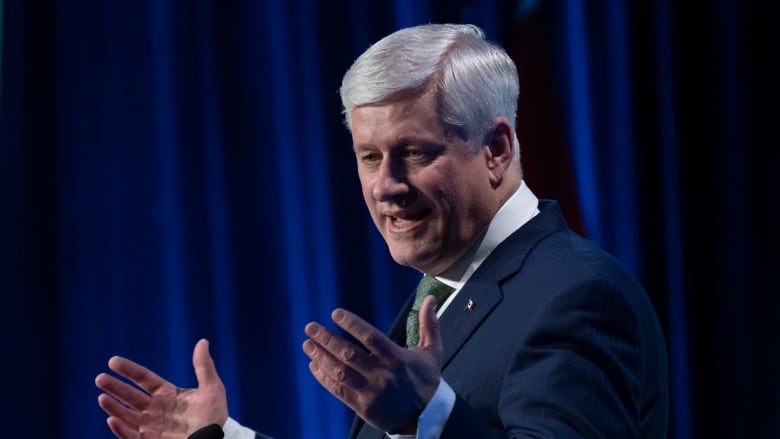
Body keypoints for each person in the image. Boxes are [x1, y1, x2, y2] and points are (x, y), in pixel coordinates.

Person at [95, 23, 669, 438]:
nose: (385, 186)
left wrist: (429, 418)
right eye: (369, 158)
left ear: (496, 149)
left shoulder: (575, 293)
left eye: (414, 153)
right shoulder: (443, 294)